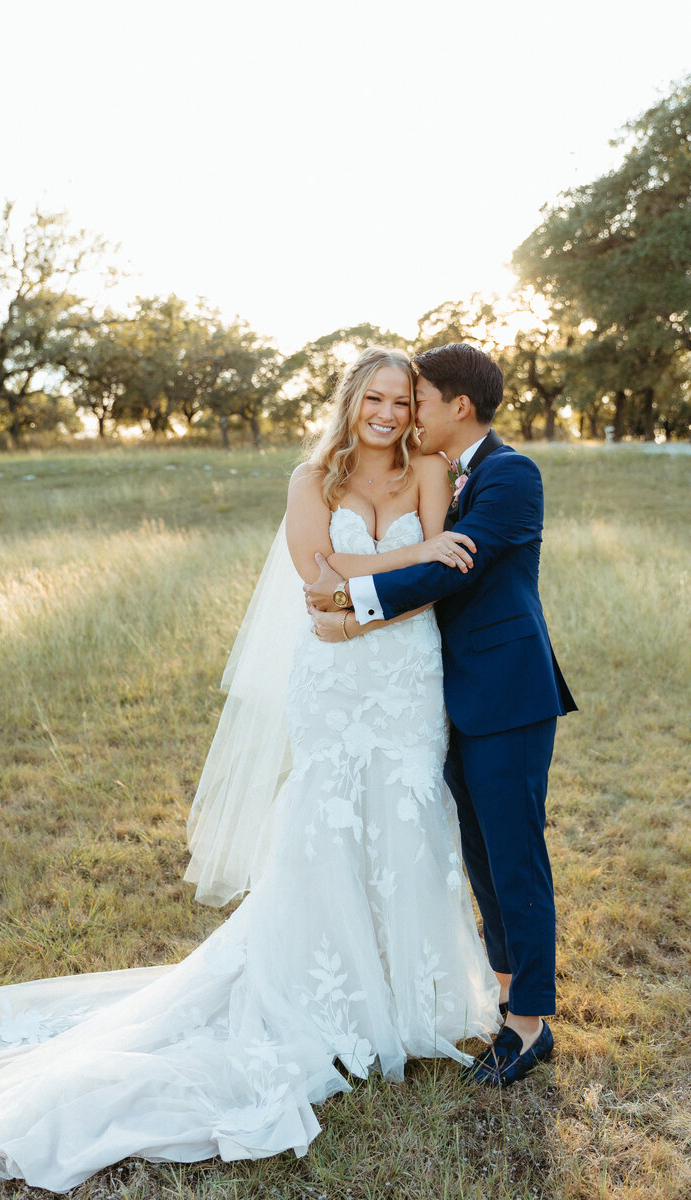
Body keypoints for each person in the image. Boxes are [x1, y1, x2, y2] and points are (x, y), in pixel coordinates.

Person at [0, 346, 500, 1192]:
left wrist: (368, 575)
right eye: (376, 398)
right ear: (351, 400)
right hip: (333, 678)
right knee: (324, 821)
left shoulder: (430, 471)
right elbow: (316, 580)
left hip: (405, 680)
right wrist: (391, 568)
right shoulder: (310, 479)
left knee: (404, 818)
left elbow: (437, 579)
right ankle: (326, 999)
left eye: (402, 401)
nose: (390, 415)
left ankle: (403, 1001)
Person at [305, 342, 577, 1088]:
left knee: (515, 854)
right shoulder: (453, 475)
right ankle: (501, 994)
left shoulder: (511, 473)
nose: (408, 412)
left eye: (418, 399)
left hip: (508, 693)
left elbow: (451, 563)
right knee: (483, 856)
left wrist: (349, 607)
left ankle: (529, 1025)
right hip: (447, 691)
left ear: (457, 407)